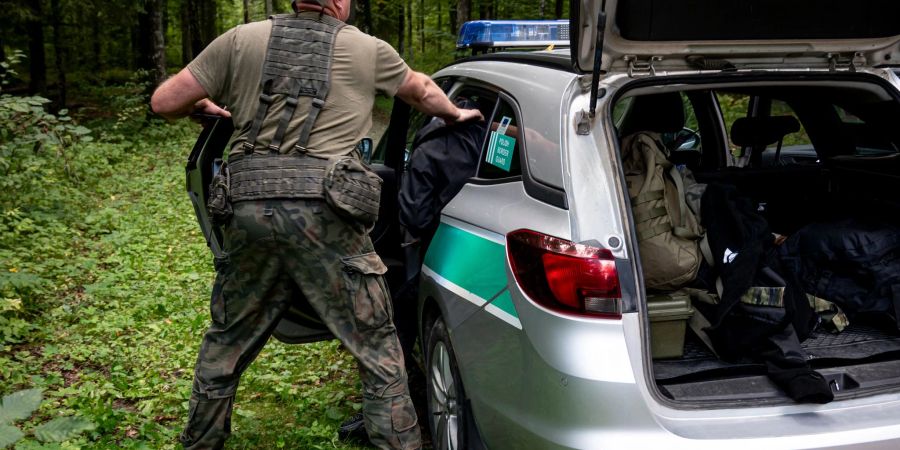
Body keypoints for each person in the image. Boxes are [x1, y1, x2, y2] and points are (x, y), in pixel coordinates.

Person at [149, 0, 483, 448]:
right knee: (378, 351)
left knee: (225, 345)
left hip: (248, 212)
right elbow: (421, 90)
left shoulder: (238, 40)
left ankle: (199, 443)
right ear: (340, 2)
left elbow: (164, 101)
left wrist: (205, 104)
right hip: (328, 217)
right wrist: (454, 115)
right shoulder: (368, 48)